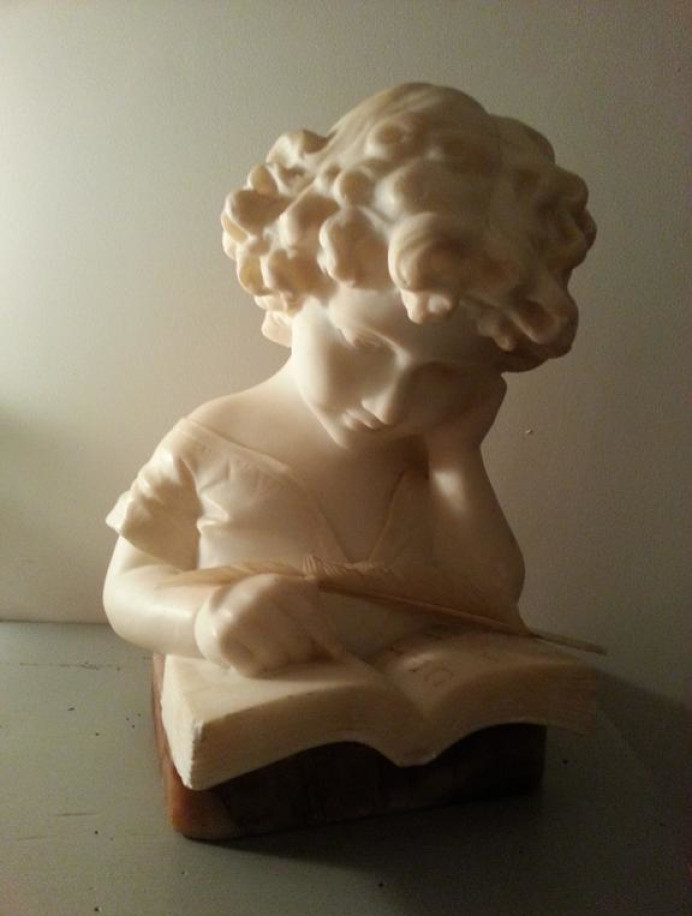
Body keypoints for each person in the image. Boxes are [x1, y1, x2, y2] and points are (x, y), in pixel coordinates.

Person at [103, 83, 595, 677]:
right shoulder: (213, 440)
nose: (392, 405)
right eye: (365, 344)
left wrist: (456, 457)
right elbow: (127, 589)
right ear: (295, 282)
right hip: (260, 717)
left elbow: (488, 598)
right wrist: (204, 619)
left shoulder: (431, 459)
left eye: (444, 372)